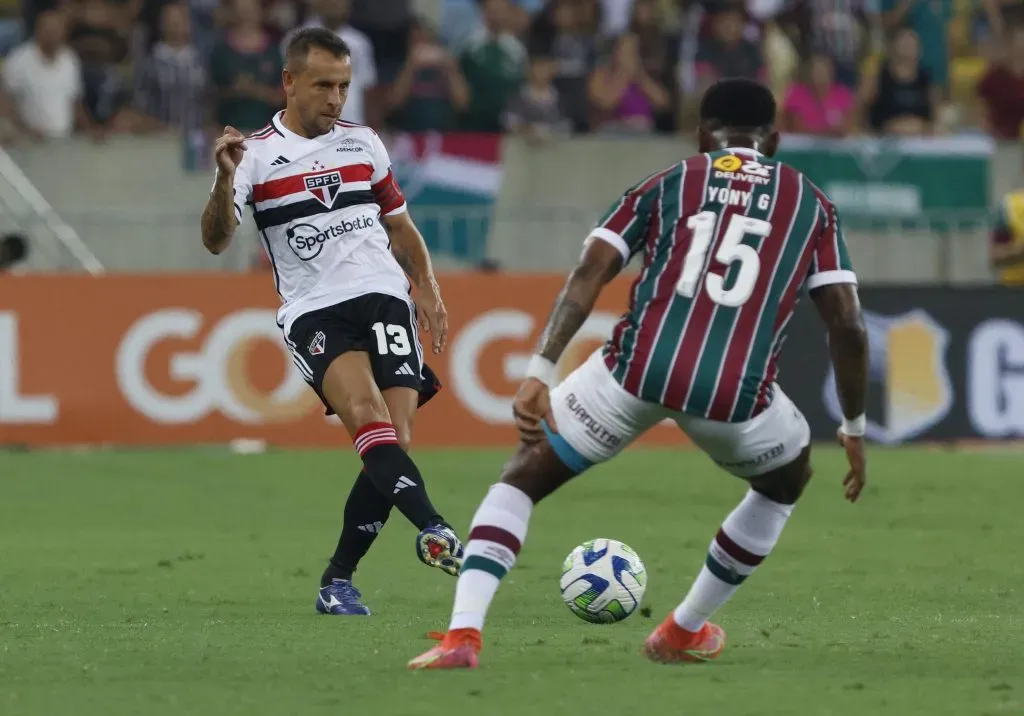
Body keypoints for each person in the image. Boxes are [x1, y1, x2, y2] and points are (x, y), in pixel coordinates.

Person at [409, 77, 869, 670]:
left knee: (521, 478)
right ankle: (682, 630)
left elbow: (590, 270)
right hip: (733, 399)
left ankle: (462, 638)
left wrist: (540, 369)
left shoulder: (671, 181)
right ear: (774, 139)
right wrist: (854, 425)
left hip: (632, 373)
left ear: (702, 134)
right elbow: (849, 327)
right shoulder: (810, 203)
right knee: (786, 480)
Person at [200, 27, 464, 617]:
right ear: (289, 83)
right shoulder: (254, 155)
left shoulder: (364, 142)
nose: (335, 99)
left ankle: (336, 580)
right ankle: (435, 528)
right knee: (368, 419)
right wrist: (222, 179)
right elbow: (217, 240)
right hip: (315, 308)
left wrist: (428, 286)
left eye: (343, 86)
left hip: (385, 296)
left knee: (396, 440)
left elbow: (399, 224)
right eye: (323, 85)